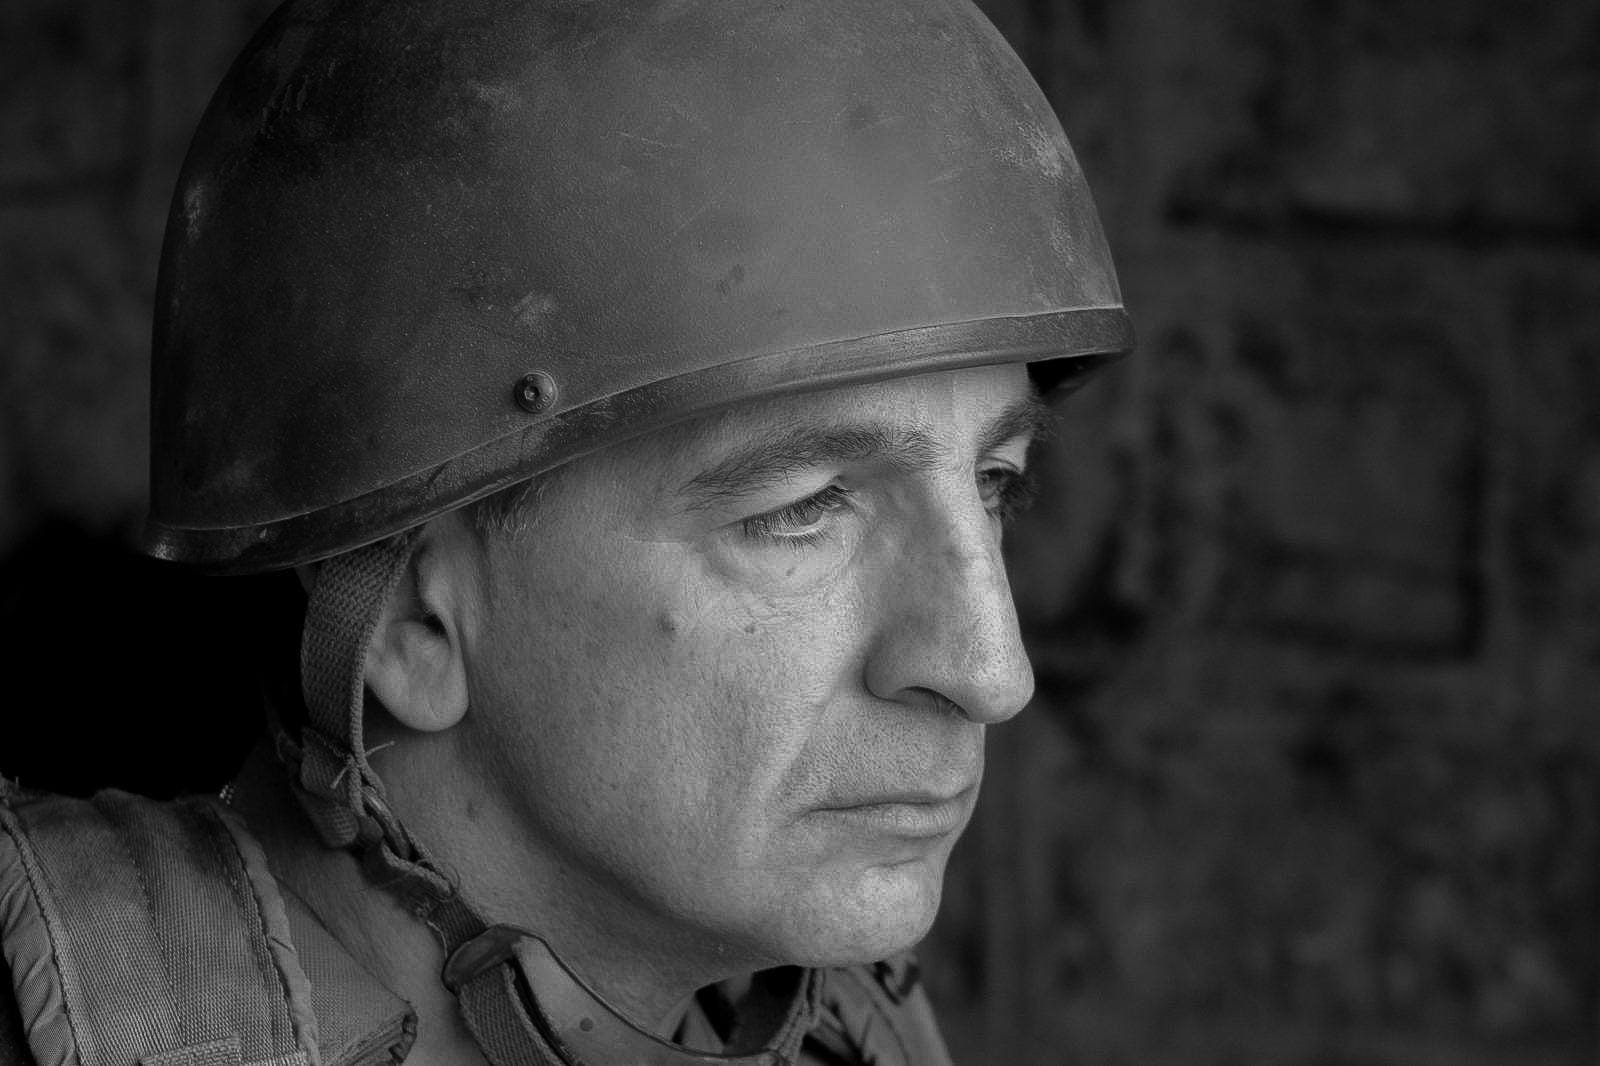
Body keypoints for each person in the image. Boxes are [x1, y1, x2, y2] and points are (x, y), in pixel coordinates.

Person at [0, 0, 1131, 1062]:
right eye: (803, 509)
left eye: (995, 480)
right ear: (410, 619)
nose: (990, 670)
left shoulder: (865, 1029)